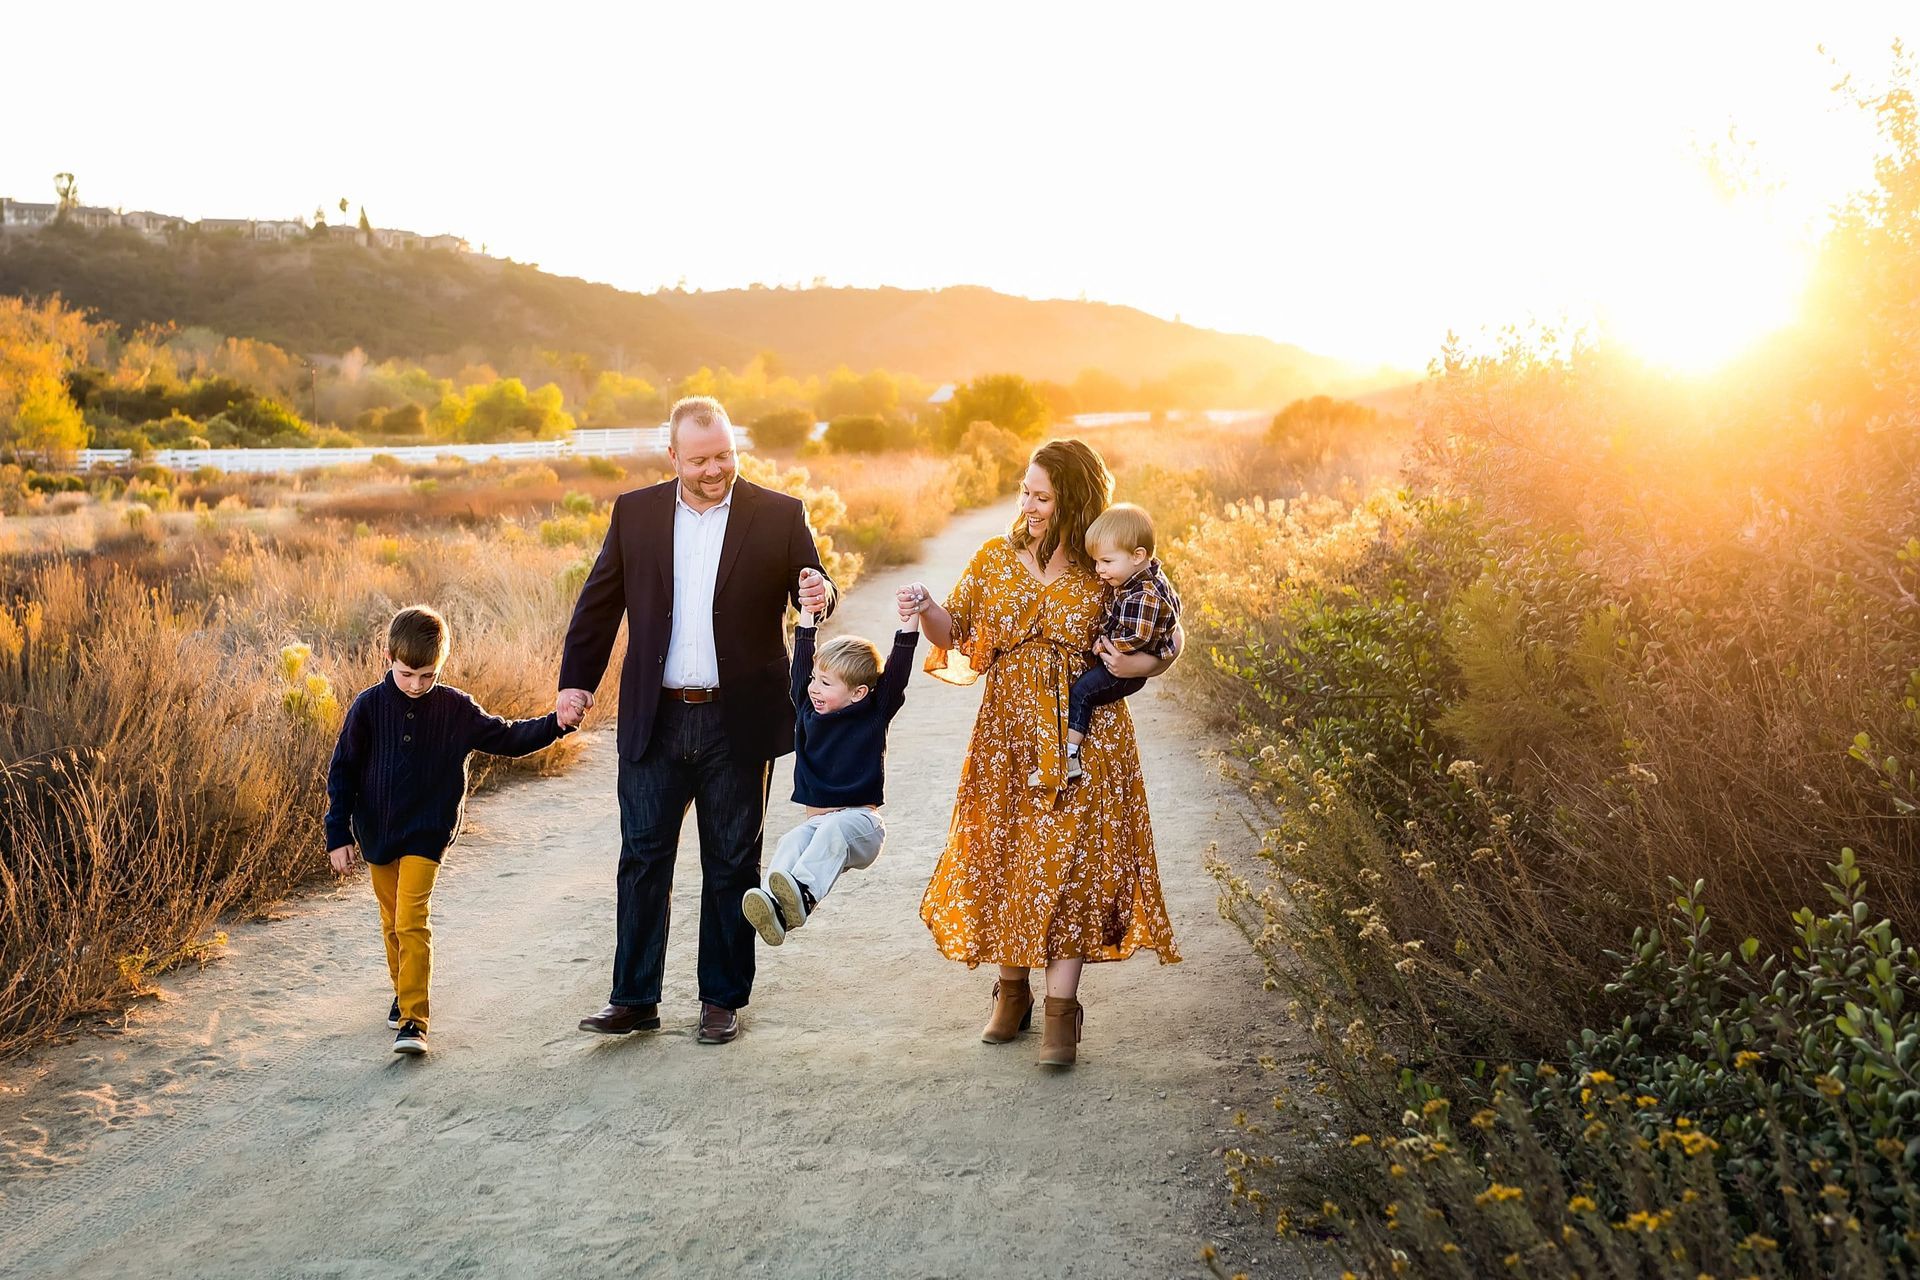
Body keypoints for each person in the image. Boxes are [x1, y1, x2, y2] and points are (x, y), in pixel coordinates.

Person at [557, 396, 835, 1046]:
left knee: (733, 863)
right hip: (654, 718)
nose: (716, 470)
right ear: (673, 456)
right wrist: (576, 682)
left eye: (725, 456)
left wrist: (824, 594)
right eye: (702, 459)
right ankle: (633, 999)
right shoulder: (635, 513)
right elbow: (598, 606)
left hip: (736, 721)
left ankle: (721, 999)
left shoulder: (778, 513)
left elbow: (812, 586)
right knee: (642, 859)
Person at [898, 439, 1181, 1069]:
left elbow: (1167, 627)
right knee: (1010, 855)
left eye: (1041, 496)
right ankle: (1012, 991)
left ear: (1073, 501)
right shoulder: (995, 560)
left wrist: (1147, 659)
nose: (1026, 504)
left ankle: (1061, 1013)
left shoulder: (1103, 564)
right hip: (1006, 737)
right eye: (1023, 490)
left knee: (1072, 866)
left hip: (1087, 739)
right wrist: (926, 611)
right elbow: (958, 635)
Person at [325, 604, 578, 1056]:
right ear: (388, 658)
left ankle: (413, 1020)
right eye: (407, 674)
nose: (417, 685)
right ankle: (403, 990)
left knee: (410, 919)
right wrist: (337, 833)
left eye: (427, 675)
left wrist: (554, 725)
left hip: (427, 831)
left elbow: (508, 737)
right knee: (390, 924)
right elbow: (342, 771)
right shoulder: (368, 708)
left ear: (440, 665)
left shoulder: (455, 709)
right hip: (376, 832)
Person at [741, 592, 920, 946]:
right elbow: (801, 666)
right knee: (792, 839)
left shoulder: (873, 713)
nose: (814, 688)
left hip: (861, 828)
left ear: (859, 693)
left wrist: (909, 620)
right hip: (820, 825)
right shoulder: (807, 710)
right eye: (815, 680)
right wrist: (807, 614)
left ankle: (804, 895)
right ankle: (775, 908)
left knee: (832, 830)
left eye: (826, 683)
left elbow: (898, 671)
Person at [1038, 501, 1181, 786]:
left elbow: (1138, 636)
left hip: (1125, 667)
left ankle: (1069, 758)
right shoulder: (1135, 577)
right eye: (1096, 562)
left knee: (1081, 694)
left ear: (1138, 555)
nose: (1099, 570)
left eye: (1106, 562)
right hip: (1127, 663)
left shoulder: (1146, 594)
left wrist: (1103, 644)